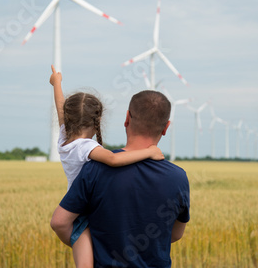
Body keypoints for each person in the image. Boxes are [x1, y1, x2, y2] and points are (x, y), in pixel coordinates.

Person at [51, 89, 190, 267]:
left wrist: (87, 244)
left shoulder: (94, 168)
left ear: (127, 119)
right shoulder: (178, 177)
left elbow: (60, 222)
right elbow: (175, 234)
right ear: (166, 127)